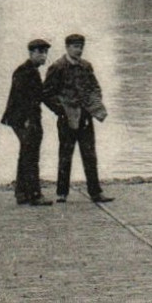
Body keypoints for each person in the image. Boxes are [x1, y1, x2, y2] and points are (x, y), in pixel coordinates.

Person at [44, 33, 113, 204]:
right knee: (65, 155)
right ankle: (61, 193)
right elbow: (47, 94)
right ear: (67, 47)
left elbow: (95, 87)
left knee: (90, 154)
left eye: (81, 47)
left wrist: (95, 105)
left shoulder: (86, 66)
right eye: (75, 47)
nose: (79, 50)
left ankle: (95, 192)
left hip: (85, 116)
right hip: (67, 118)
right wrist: (60, 110)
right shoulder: (57, 67)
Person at [1, 38, 54, 206]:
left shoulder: (30, 70)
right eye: (40, 53)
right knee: (31, 155)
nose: (43, 56)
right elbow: (22, 98)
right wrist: (26, 120)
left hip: (24, 119)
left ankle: (22, 193)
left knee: (26, 153)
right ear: (31, 53)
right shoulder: (26, 72)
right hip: (25, 119)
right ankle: (35, 194)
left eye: (45, 53)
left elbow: (40, 95)